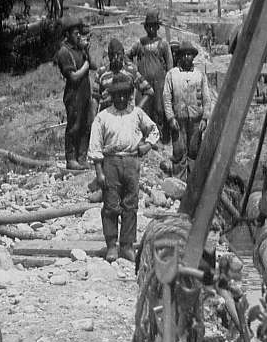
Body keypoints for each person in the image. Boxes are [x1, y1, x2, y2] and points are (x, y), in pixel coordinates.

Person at [87, 69, 159, 263]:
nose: (120, 98)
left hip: (131, 162)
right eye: (117, 95)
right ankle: (111, 245)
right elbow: (95, 147)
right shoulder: (103, 117)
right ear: (111, 96)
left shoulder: (137, 114)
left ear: (129, 96)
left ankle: (126, 245)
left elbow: (153, 129)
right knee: (110, 205)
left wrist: (147, 145)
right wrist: (99, 172)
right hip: (111, 162)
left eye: (124, 95)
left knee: (131, 205)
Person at [162, 42, 214, 174]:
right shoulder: (172, 74)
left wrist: (205, 118)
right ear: (179, 57)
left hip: (196, 120)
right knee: (179, 152)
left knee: (194, 151)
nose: (186, 57)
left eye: (189, 54)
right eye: (183, 55)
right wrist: (170, 118)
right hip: (178, 120)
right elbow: (166, 98)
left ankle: (194, 183)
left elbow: (207, 99)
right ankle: (179, 184)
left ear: (193, 57)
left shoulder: (200, 75)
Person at [56, 19, 97, 170]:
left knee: (87, 124)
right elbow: (73, 76)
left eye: (79, 32)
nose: (79, 35)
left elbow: (94, 65)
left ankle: (82, 157)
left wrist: (87, 51)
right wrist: (86, 65)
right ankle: (71, 158)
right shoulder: (64, 52)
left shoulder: (79, 49)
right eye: (75, 33)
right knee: (74, 125)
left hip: (85, 92)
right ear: (67, 34)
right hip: (73, 94)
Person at [129, 11, 175, 138]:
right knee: (144, 109)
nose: (151, 29)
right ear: (145, 27)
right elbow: (127, 56)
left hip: (159, 83)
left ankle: (159, 137)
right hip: (143, 83)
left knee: (159, 109)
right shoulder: (140, 43)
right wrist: (133, 70)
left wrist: (169, 83)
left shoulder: (163, 44)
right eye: (148, 26)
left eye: (154, 26)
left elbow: (170, 65)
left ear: (157, 27)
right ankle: (145, 137)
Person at [99, 36, 154, 115]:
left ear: (123, 53)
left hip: (127, 116)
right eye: (112, 55)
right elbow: (95, 97)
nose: (116, 58)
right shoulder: (102, 72)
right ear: (108, 56)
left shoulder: (131, 71)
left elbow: (149, 91)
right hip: (108, 118)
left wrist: (137, 110)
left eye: (118, 54)